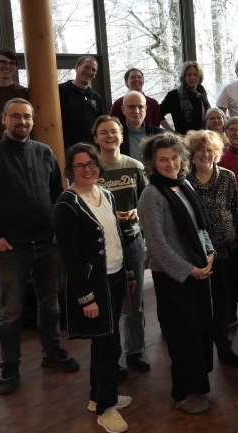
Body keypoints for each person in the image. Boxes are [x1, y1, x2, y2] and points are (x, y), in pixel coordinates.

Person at [0, 98, 80, 395]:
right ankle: (10, 367)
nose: (22, 122)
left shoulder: (45, 152)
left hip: (47, 242)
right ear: (4, 119)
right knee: (11, 312)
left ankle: (52, 353)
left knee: (50, 303)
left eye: (27, 117)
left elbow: (59, 196)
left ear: (33, 121)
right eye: (16, 116)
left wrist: (59, 229)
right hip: (10, 248)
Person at [52, 144, 135, 433]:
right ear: (70, 170)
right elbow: (71, 260)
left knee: (107, 341)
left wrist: (127, 273)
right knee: (106, 345)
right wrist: (86, 298)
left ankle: (96, 396)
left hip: (113, 278)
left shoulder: (108, 195)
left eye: (91, 164)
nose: (87, 169)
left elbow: (114, 239)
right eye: (80, 165)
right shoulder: (66, 205)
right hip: (94, 286)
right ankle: (105, 408)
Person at [138, 133, 216, 415]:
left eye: (174, 158)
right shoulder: (151, 195)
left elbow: (200, 227)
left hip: (198, 271)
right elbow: (156, 245)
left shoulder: (184, 185)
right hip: (174, 278)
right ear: (152, 162)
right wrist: (188, 270)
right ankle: (183, 392)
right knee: (183, 337)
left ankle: (199, 385)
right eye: (163, 159)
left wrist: (209, 253)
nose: (170, 164)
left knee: (200, 332)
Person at [92, 116, 151, 376]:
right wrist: (110, 217)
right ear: (96, 138)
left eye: (114, 132)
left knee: (135, 303)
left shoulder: (135, 167)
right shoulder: (91, 170)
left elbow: (148, 201)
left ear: (122, 136)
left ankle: (135, 352)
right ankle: (111, 358)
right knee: (111, 304)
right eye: (103, 132)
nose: (110, 136)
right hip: (104, 247)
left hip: (134, 242)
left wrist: (137, 211)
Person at [186, 130, 238, 368]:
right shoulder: (184, 180)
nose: (205, 154)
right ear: (192, 154)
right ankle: (201, 351)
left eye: (210, 149)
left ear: (217, 152)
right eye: (200, 149)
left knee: (223, 302)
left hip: (224, 249)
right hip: (196, 251)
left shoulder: (228, 177)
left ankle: (223, 347)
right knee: (199, 304)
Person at [58, 56, 104, 148]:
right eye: (86, 67)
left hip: (92, 149)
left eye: (93, 70)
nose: (90, 72)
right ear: (77, 67)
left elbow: (101, 124)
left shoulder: (96, 97)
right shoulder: (60, 91)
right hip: (67, 149)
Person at [160, 61, 210, 134]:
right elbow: (158, 114)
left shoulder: (202, 93)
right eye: (189, 75)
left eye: (195, 75)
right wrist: (172, 132)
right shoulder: (174, 95)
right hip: (183, 141)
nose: (192, 77)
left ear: (199, 77)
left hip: (202, 139)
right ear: (184, 77)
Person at [120, 90, 164, 161]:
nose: (136, 111)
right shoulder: (115, 136)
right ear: (123, 109)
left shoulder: (160, 135)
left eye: (140, 107)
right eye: (132, 107)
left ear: (146, 109)